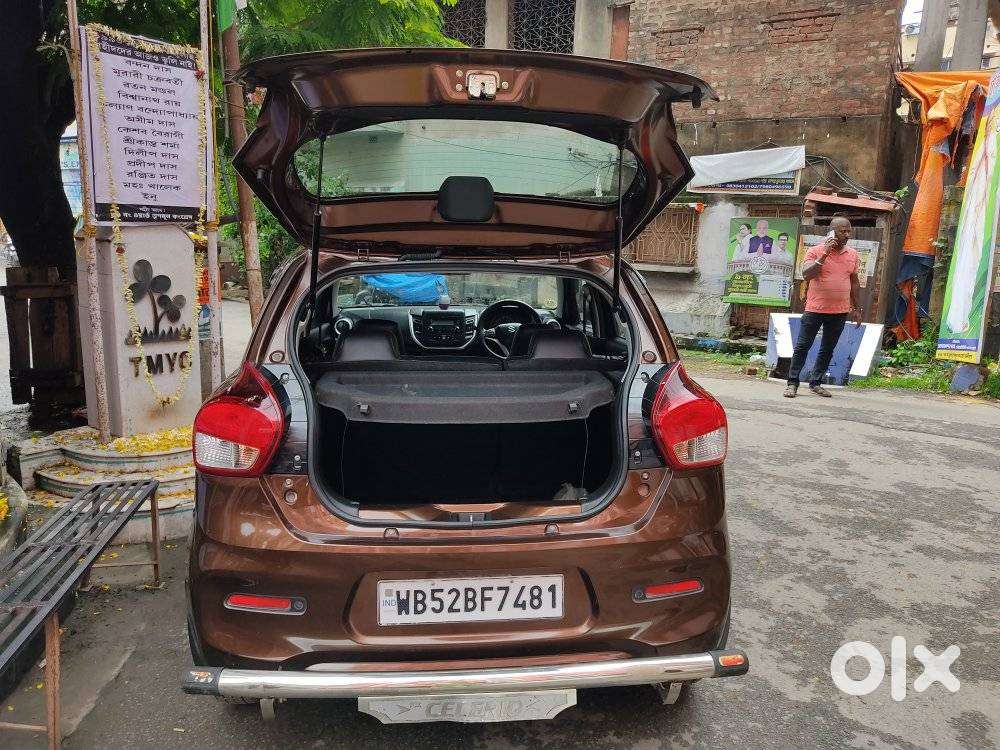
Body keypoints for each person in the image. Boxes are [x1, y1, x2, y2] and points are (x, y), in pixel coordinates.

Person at [784, 217, 861, 398]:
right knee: (803, 346)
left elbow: (855, 282)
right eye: (843, 231)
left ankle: (816, 382)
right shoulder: (815, 251)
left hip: (839, 311)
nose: (847, 235)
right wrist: (824, 254)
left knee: (828, 348)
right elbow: (806, 274)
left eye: (849, 231)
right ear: (833, 232)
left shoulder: (852, 254)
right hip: (815, 309)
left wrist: (857, 308)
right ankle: (792, 383)